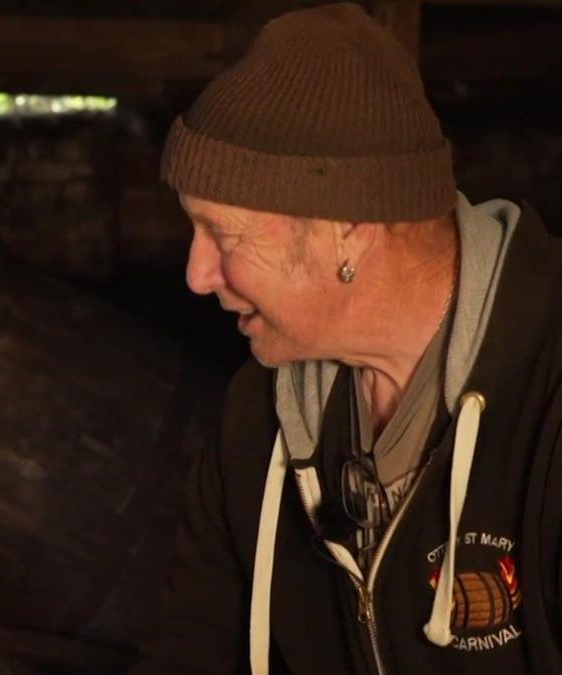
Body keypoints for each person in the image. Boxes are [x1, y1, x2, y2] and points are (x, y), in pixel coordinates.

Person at [148, 3, 562, 674]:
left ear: (348, 228)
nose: (197, 275)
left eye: (223, 235)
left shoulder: (548, 399)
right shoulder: (260, 418)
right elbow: (189, 646)